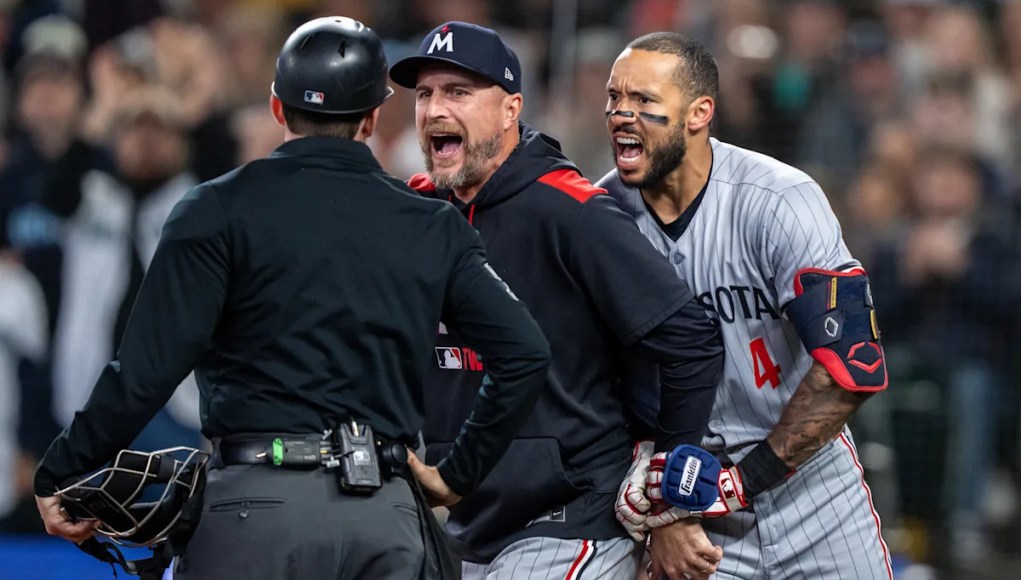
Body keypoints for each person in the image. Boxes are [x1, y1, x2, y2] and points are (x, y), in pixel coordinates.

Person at [33, 16, 552, 580]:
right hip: (382, 515)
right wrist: (457, 475)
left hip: (251, 510)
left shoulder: (215, 210)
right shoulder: (432, 224)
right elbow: (525, 352)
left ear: (278, 108)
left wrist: (64, 469)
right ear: (373, 117)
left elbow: (143, 374)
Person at [388, 21, 726, 580]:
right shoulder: (417, 212)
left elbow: (690, 339)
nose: (433, 109)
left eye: (458, 92)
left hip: (571, 514)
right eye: (424, 94)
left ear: (510, 109)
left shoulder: (570, 210)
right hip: (466, 521)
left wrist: (670, 494)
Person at [597, 33, 892, 579]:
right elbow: (599, 383)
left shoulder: (779, 200)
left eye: (643, 101)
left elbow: (854, 366)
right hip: (692, 513)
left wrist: (738, 484)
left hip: (815, 492)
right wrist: (665, 511)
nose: (621, 114)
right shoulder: (601, 217)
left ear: (698, 113)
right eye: (615, 98)